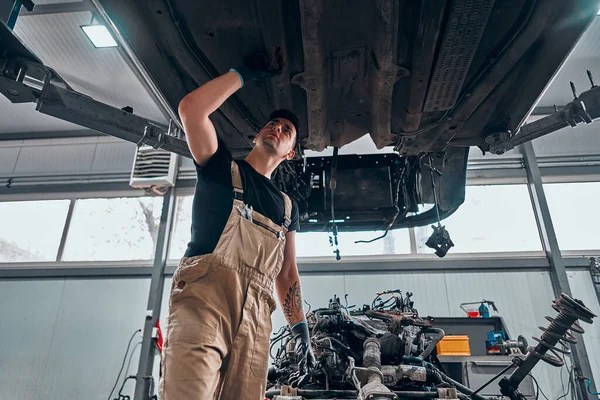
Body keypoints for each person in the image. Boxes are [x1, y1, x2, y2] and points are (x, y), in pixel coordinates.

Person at [158, 54, 315, 400]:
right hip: (204, 306)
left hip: (256, 323)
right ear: (258, 134)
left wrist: (300, 328)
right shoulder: (220, 168)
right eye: (272, 124)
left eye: (286, 131)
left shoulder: (287, 207)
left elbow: (287, 272)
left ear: (291, 153)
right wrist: (242, 74)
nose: (277, 129)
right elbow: (192, 110)